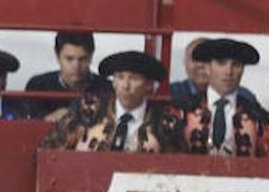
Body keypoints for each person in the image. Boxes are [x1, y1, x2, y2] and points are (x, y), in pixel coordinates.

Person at [40, 51, 183, 152]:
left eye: (134, 78)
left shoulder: (165, 121)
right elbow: (48, 151)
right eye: (120, 78)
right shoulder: (88, 109)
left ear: (148, 85)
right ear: (113, 82)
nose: (126, 85)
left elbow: (180, 166)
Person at [175, 38, 269, 157]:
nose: (228, 71)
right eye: (221, 63)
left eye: (236, 65)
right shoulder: (180, 111)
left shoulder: (257, 116)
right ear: (207, 68)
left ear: (242, 70)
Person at [22, 31, 112, 119]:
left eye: (83, 59)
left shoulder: (108, 88)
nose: (76, 66)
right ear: (57, 56)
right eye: (69, 59)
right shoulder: (37, 86)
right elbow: (30, 126)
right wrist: (49, 119)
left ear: (91, 57)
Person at [169, 37, 257, 104]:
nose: (201, 65)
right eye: (195, 60)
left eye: (205, 61)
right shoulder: (170, 92)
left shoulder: (246, 97)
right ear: (184, 61)